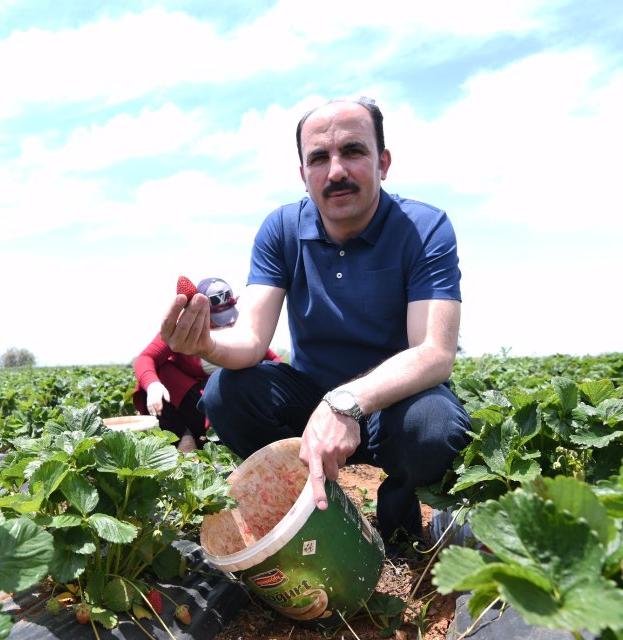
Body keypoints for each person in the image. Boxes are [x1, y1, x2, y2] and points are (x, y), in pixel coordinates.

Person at [159, 97, 471, 550]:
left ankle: (400, 521)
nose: (336, 171)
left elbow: (435, 353)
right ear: (303, 174)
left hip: (394, 405)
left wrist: (346, 403)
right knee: (226, 392)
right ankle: (309, 511)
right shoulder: (282, 229)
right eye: (319, 158)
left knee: (435, 426)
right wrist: (204, 343)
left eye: (353, 152)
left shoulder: (423, 227)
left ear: (383, 162)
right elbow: (249, 340)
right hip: (308, 406)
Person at [134, 277, 282, 452]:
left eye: (227, 316)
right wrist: (152, 385)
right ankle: (183, 437)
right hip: (195, 402)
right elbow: (145, 358)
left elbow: (275, 363)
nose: (224, 323)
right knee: (162, 372)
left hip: (230, 398)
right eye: (216, 318)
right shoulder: (184, 330)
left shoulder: (240, 331)